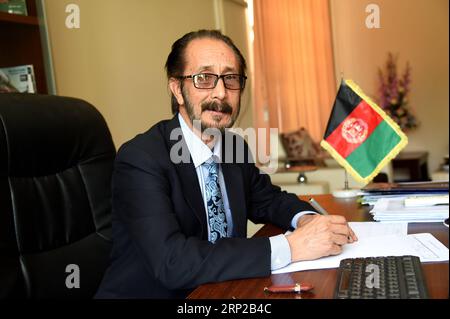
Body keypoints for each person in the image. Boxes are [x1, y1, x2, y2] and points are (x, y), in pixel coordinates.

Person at [95, 30, 357, 299]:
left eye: (231, 79)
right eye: (204, 78)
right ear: (177, 89)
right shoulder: (141, 158)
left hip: (224, 291)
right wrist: (291, 247)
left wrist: (309, 221)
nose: (221, 93)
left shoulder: (233, 146)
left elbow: (268, 200)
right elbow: (172, 262)